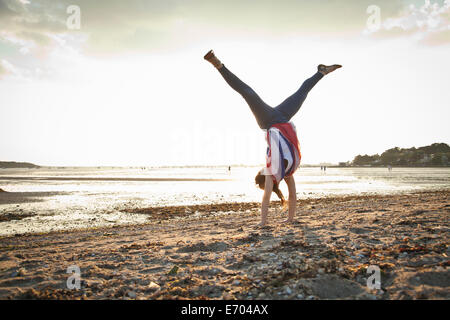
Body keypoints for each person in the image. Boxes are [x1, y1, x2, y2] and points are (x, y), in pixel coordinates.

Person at [204, 50, 341, 226]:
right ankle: (321, 72)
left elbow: (290, 195)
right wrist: (266, 222)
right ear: (262, 173)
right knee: (251, 92)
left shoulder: (289, 171)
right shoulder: (273, 172)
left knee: (294, 93)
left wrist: (285, 219)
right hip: (276, 119)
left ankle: (321, 72)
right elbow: (269, 195)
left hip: (276, 121)